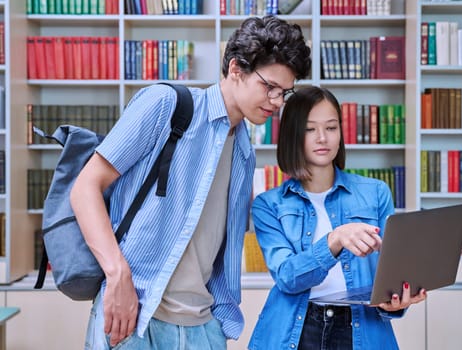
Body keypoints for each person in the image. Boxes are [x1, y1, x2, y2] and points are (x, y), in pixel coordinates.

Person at [70, 16, 311, 350]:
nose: (276, 102)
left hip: (204, 328)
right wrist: (117, 275)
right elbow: (85, 187)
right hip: (135, 315)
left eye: (284, 93)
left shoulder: (244, 154)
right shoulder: (166, 105)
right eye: (269, 87)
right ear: (236, 69)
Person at [248, 86, 426, 350]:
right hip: (295, 331)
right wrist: (334, 239)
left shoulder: (375, 193)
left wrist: (396, 303)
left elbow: (389, 273)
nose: (322, 138)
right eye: (310, 129)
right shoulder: (269, 204)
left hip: (360, 328)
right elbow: (287, 276)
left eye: (331, 128)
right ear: (292, 135)